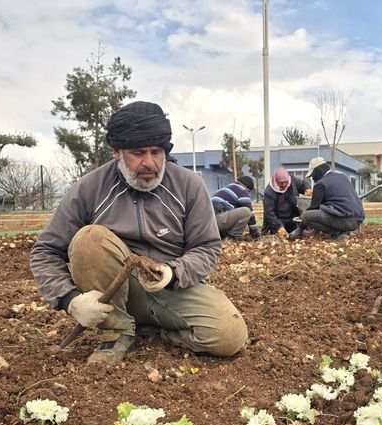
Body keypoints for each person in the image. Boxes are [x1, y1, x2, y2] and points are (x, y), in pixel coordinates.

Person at [30, 101, 248, 365]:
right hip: (115, 293)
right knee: (90, 238)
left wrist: (173, 272)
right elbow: (46, 251)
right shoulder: (90, 188)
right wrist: (71, 301)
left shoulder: (188, 186)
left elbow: (207, 246)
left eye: (156, 152)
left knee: (229, 335)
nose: (150, 163)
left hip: (172, 289)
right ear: (117, 152)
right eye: (138, 153)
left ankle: (152, 330)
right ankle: (117, 330)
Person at [288, 157, 365, 240]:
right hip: (358, 220)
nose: (313, 179)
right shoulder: (342, 177)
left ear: (318, 171)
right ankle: (343, 232)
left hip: (345, 220)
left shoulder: (320, 184)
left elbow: (313, 208)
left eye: (313, 175)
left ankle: (337, 233)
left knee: (306, 216)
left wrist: (300, 229)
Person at [262, 166, 311, 237]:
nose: (284, 185)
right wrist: (279, 227)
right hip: (278, 220)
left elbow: (302, 184)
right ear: (276, 181)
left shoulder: (292, 180)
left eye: (286, 182)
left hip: (293, 218)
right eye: (281, 183)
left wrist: (307, 189)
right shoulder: (269, 192)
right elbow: (269, 213)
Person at [211, 175, 260, 241]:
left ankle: (223, 236)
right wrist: (255, 233)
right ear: (247, 188)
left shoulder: (227, 188)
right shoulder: (242, 190)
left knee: (233, 214)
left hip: (207, 222)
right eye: (249, 191)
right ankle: (232, 238)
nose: (248, 193)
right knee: (246, 212)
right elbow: (251, 214)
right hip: (215, 220)